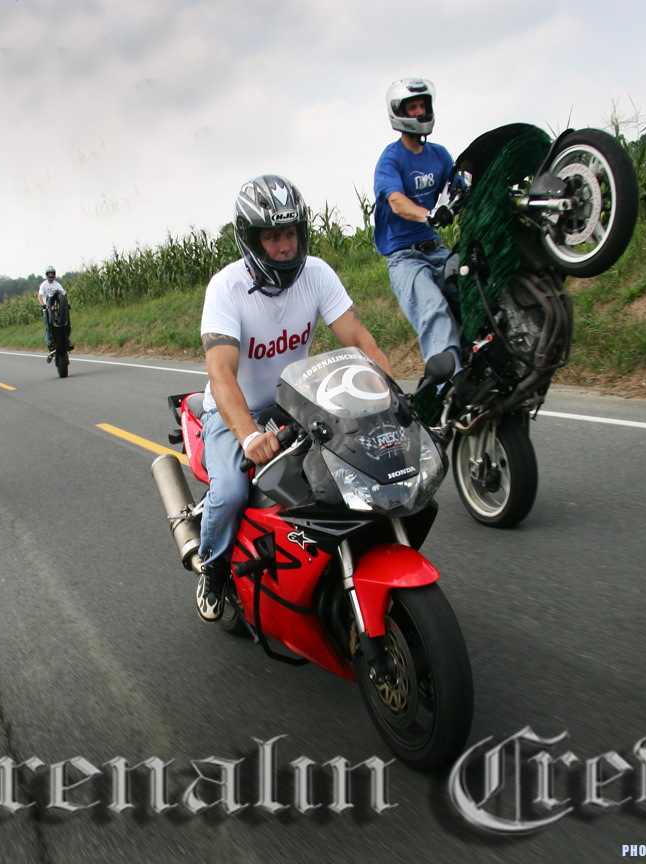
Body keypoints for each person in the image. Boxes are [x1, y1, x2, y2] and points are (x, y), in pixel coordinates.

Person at [195, 174, 393, 622]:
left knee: (345, 471)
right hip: (235, 413)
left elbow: (359, 338)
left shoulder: (317, 274)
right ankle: (213, 566)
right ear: (251, 240)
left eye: (290, 234)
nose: (285, 247)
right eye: (272, 237)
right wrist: (247, 436)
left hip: (294, 402)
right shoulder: (226, 289)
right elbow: (221, 373)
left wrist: (390, 399)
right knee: (229, 493)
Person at [373, 77, 462, 375]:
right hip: (405, 258)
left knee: (472, 289)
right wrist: (429, 215)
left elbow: (458, 187)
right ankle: (449, 384)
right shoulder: (391, 158)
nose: (420, 112)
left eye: (423, 105)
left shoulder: (440, 155)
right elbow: (397, 201)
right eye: (413, 107)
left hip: (437, 250)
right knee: (433, 308)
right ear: (400, 113)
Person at [38, 266, 73, 358]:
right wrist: (43, 306)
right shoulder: (44, 285)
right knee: (47, 325)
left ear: (54, 274)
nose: (51, 275)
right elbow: (40, 297)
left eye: (52, 274)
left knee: (66, 323)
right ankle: (49, 343)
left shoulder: (57, 285)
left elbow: (64, 294)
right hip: (48, 308)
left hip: (58, 308)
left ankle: (67, 341)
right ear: (47, 275)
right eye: (49, 274)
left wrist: (66, 304)